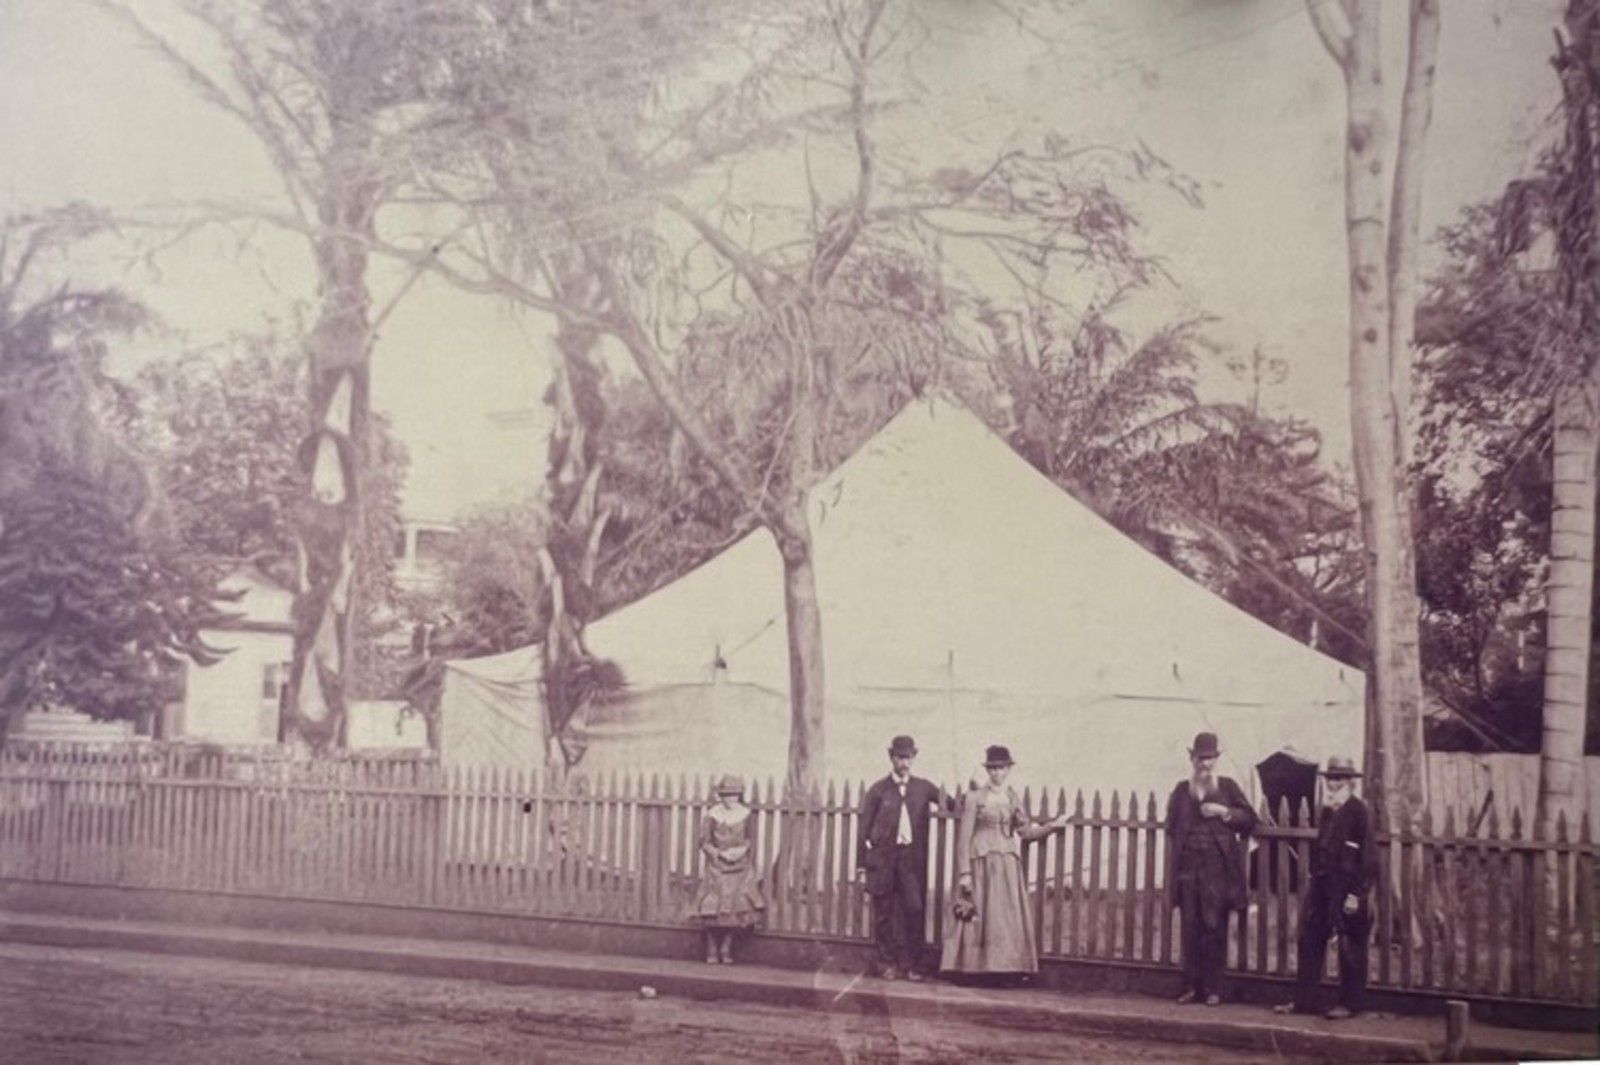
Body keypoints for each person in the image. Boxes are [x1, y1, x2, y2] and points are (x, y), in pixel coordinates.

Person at [940, 745, 1071, 982]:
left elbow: (1025, 832)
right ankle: (973, 971)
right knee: (977, 915)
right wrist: (964, 873)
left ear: (1008, 770)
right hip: (980, 862)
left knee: (1004, 916)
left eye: (1001, 768)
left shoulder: (1012, 798)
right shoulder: (974, 798)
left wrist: (1053, 826)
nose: (997, 773)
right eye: (992, 768)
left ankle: (1005, 970)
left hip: (1008, 866)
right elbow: (964, 837)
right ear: (987, 770)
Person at [1274, 755, 1376, 1020]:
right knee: (1310, 939)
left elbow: (1368, 859)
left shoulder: (1358, 810)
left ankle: (1351, 1004)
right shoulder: (1328, 811)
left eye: (1339, 780)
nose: (1334, 784)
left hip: (1347, 889)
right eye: (1331, 779)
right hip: (1322, 885)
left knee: (1350, 946)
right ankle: (1305, 1001)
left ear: (1350, 783)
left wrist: (1356, 894)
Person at [1165, 731, 1257, 1006]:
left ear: (1217, 760)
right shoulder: (1182, 790)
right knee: (1191, 927)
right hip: (1189, 870)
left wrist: (1223, 812)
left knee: (1214, 926)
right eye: (1201, 758)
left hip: (1217, 870)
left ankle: (1214, 988)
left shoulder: (1227, 787)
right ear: (1191, 758)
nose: (1206, 764)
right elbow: (1171, 825)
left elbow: (1250, 819)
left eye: (1210, 759)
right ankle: (1192, 986)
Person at [855, 734, 946, 980]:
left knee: (914, 909)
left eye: (908, 758)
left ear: (914, 758)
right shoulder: (877, 790)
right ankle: (887, 963)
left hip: (910, 861)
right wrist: (862, 866)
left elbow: (950, 804)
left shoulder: (923, 787)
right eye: (899, 757)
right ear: (891, 757)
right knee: (883, 912)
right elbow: (863, 830)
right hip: (883, 859)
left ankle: (914, 964)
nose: (904, 763)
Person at [689, 774, 766, 964]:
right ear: (720, 796)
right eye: (726, 795)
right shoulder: (712, 815)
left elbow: (750, 840)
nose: (730, 799)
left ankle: (726, 947)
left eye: (734, 795)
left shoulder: (746, 815)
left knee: (736, 908)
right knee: (712, 908)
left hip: (739, 867)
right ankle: (711, 946)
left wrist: (740, 851)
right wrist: (718, 853)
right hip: (717, 867)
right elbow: (704, 842)